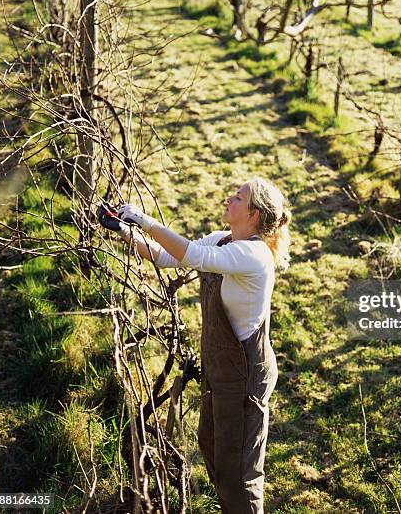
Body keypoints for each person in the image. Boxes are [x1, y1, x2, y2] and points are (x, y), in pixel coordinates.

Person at [98, 176, 291, 513]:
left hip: (245, 375)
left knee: (239, 472)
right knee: (212, 447)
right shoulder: (223, 240)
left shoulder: (254, 255)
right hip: (220, 369)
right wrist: (123, 230)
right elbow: (167, 256)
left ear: (254, 214)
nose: (230, 199)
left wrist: (144, 220)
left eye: (238, 197)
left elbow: (191, 255)